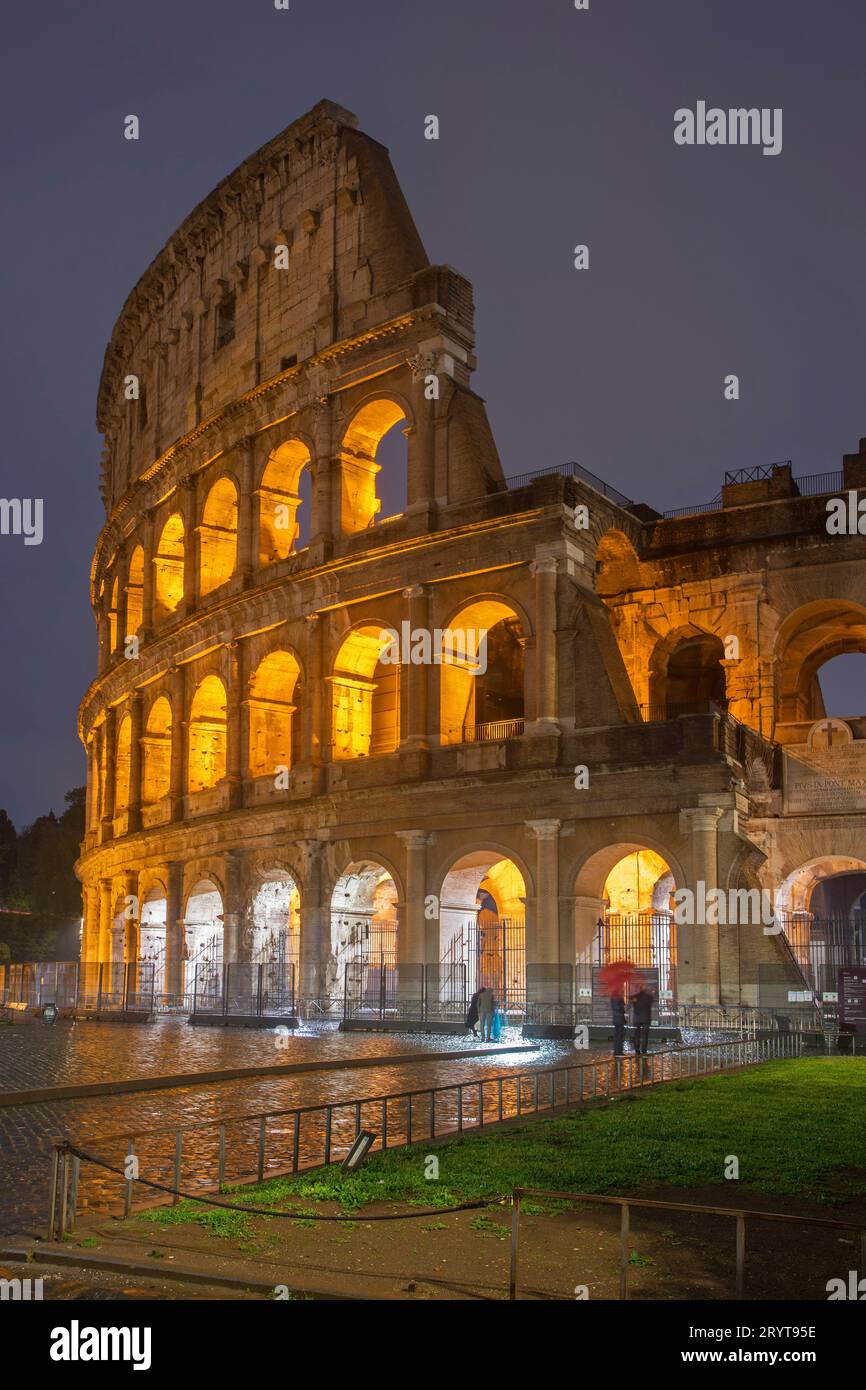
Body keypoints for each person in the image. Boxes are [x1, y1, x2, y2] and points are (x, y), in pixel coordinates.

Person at [630, 981, 654, 1055]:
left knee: (636, 1035)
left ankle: (637, 1051)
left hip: (637, 1018)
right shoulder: (649, 997)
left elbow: (630, 1000)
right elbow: (651, 1002)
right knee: (645, 1035)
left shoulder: (635, 997)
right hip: (646, 1018)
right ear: (645, 989)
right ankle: (644, 1051)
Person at [611, 991, 626, 1056]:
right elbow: (619, 1008)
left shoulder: (613, 998)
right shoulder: (618, 998)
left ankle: (617, 1051)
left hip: (616, 1019)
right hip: (619, 1019)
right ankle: (619, 1052)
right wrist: (623, 1004)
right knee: (619, 1036)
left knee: (617, 1036)